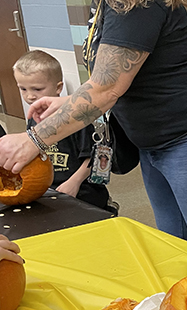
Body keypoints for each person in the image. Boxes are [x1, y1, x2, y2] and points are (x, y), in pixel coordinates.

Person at [0, 0, 187, 261]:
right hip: (151, 141)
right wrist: (69, 101)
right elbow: (120, 75)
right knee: (176, 242)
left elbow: (107, 87)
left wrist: (33, 140)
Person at [13, 50, 113, 212]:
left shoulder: (75, 119)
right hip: (50, 191)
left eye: (37, 89)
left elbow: (95, 159)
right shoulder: (33, 118)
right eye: (23, 89)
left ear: (58, 87)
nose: (30, 96)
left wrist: (74, 183)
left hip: (82, 191)